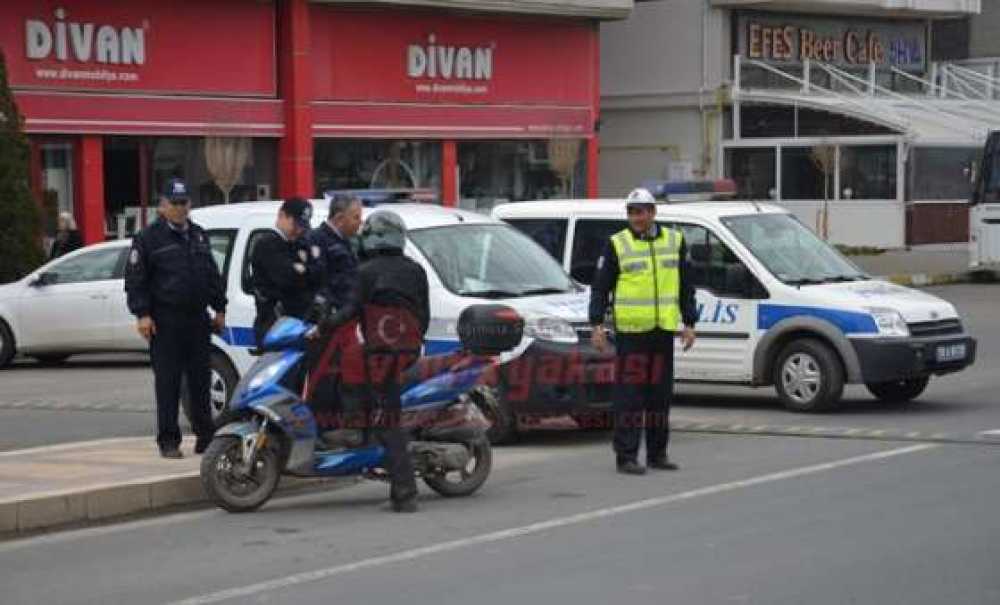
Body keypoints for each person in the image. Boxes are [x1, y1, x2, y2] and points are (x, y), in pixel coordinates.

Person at [321, 210, 430, 513]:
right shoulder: (415, 271)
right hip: (408, 352)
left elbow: (350, 310)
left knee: (388, 421)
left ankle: (405, 493)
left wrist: (325, 324)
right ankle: (360, 435)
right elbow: (423, 316)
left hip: (383, 355)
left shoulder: (366, 272)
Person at [589, 188, 697, 475]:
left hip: (662, 331)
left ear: (653, 212)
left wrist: (690, 323)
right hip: (631, 333)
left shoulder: (675, 241)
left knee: (660, 396)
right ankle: (626, 456)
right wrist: (597, 325)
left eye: (641, 212)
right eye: (631, 212)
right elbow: (600, 288)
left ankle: (657, 454)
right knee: (630, 397)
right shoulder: (617, 244)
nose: (636, 218)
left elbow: (686, 286)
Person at [124, 178, 227, 459]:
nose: (181, 208)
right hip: (166, 321)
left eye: (185, 203)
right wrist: (142, 314)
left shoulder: (199, 235)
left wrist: (220, 308)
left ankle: (205, 437)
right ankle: (169, 441)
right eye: (175, 203)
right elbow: (135, 280)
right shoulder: (148, 239)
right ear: (162, 206)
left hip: (197, 320)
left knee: (201, 381)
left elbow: (211, 275)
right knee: (168, 383)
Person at [248, 197, 324, 348]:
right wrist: (303, 271)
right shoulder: (267, 245)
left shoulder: (299, 244)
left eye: (302, 226)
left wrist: (303, 270)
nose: (299, 230)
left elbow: (319, 273)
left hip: (299, 325)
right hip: (276, 327)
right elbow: (287, 279)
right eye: (295, 224)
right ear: (282, 216)